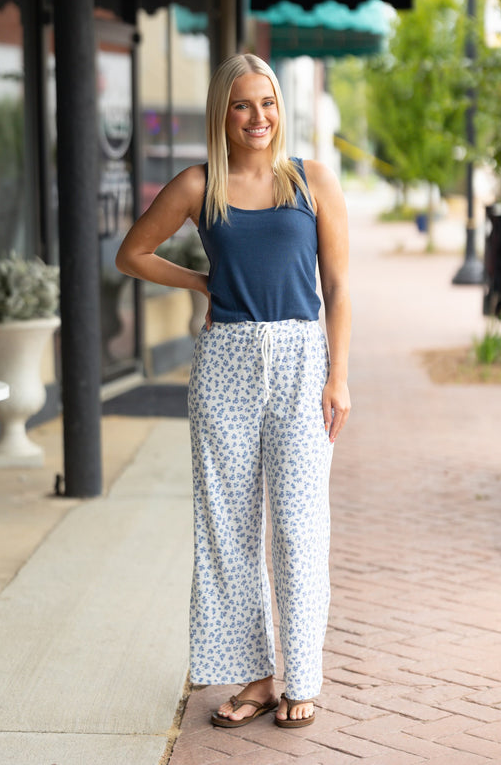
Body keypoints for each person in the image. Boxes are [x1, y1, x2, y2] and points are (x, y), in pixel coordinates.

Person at [116, 53, 351, 729]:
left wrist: (339, 374)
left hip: (304, 360)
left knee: (300, 526)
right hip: (226, 364)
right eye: (243, 104)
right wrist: (199, 282)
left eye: (268, 102)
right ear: (223, 111)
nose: (258, 117)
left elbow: (336, 285)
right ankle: (255, 675)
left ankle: (300, 674)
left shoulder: (312, 180)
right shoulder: (199, 184)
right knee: (227, 528)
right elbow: (131, 253)